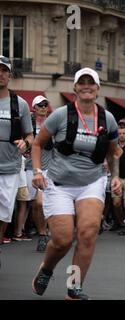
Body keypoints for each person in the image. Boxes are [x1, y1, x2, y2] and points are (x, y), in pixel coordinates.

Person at [31, 67, 122, 299]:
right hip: (59, 183)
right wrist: (38, 171)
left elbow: (114, 152)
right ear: (74, 88)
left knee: (87, 233)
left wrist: (116, 176)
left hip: (91, 182)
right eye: (81, 82)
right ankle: (47, 268)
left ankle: (73, 287)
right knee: (62, 240)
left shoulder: (107, 118)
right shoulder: (61, 115)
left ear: (98, 88)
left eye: (91, 83)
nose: (86, 86)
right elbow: (38, 144)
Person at [0, 55, 34, 264]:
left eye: (4, 70)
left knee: (3, 215)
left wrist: (26, 144)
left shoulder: (19, 104)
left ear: (10, 75)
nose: (0, 74)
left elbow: (30, 135)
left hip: (10, 168)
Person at [25, 95, 52, 251]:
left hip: (48, 168)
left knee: (42, 203)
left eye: (45, 105)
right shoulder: (29, 126)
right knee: (35, 205)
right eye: (40, 105)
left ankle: (44, 234)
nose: (43, 107)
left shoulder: (51, 124)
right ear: (34, 108)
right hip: (31, 168)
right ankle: (43, 233)